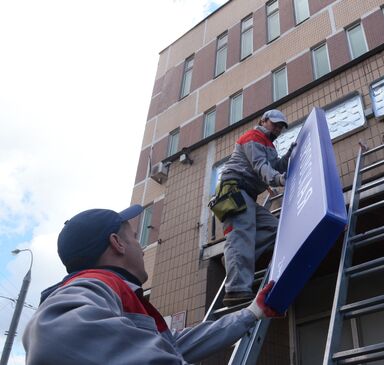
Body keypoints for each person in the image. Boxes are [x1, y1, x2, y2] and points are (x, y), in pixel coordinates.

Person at [23, 205, 280, 365]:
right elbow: (54, 336)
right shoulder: (95, 284)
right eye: (135, 238)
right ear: (117, 243)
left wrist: (252, 312)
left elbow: (173, 344)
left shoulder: (118, 296)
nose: (142, 247)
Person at [218, 109, 296, 307]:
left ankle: (233, 257)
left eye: (280, 126)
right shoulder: (253, 136)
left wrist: (288, 155)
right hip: (234, 190)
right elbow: (260, 165)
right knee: (241, 235)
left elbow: (275, 165)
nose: (278, 128)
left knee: (274, 229)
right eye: (275, 123)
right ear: (263, 120)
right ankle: (236, 290)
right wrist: (278, 179)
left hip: (247, 197)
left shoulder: (269, 145)